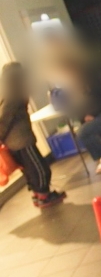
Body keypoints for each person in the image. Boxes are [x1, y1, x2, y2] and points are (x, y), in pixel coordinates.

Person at [0, 63, 66, 208]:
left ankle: (38, 195)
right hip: (21, 141)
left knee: (30, 169)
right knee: (39, 168)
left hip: (15, 142)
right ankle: (44, 196)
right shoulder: (14, 93)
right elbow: (4, 118)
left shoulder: (8, 91)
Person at [58, 59, 101, 174]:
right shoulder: (85, 76)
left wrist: (90, 114)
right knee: (89, 125)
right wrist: (86, 115)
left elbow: (99, 97)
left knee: (83, 132)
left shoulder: (89, 76)